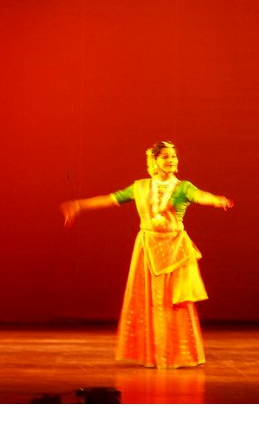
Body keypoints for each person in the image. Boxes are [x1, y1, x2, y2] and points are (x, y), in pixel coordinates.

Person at [60, 140, 233, 369]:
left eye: (174, 156)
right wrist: (80, 205)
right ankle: (152, 354)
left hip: (174, 248)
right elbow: (113, 198)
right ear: (154, 161)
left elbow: (201, 195)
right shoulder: (141, 187)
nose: (171, 160)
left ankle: (176, 354)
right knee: (149, 300)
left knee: (174, 300)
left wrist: (216, 200)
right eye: (165, 157)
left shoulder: (183, 187)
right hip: (147, 246)